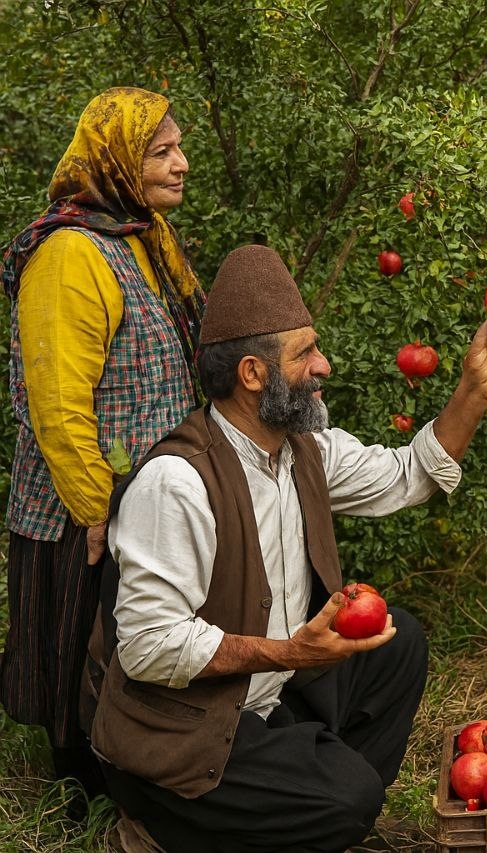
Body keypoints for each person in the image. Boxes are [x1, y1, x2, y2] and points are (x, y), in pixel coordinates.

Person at [86, 244, 487, 852]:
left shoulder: (303, 451)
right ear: (252, 374)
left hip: (269, 695)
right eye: (305, 353)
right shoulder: (178, 483)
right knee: (350, 798)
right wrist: (289, 650)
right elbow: (147, 648)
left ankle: (304, 809)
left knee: (400, 644)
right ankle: (164, 828)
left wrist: (475, 391)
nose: (324, 365)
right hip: (186, 734)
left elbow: (408, 475)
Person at [0, 86, 203, 802]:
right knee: (80, 646)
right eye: (162, 151)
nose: (181, 163)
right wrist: (95, 506)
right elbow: (57, 400)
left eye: (178, 148)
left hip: (146, 493)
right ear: (116, 159)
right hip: (83, 503)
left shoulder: (141, 239)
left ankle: (132, 768)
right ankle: (76, 794)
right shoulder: (68, 255)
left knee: (131, 648)